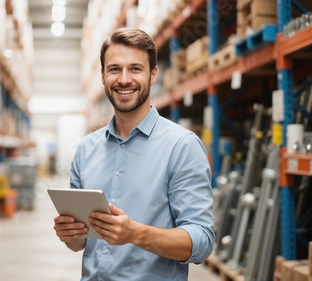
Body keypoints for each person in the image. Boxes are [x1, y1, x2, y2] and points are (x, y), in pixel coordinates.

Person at [53, 28, 215, 281]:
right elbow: (79, 244)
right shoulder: (86, 150)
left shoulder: (182, 147)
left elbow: (202, 241)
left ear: (153, 75)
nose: (124, 79)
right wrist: (70, 234)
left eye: (135, 69)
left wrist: (135, 234)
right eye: (115, 69)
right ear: (103, 75)